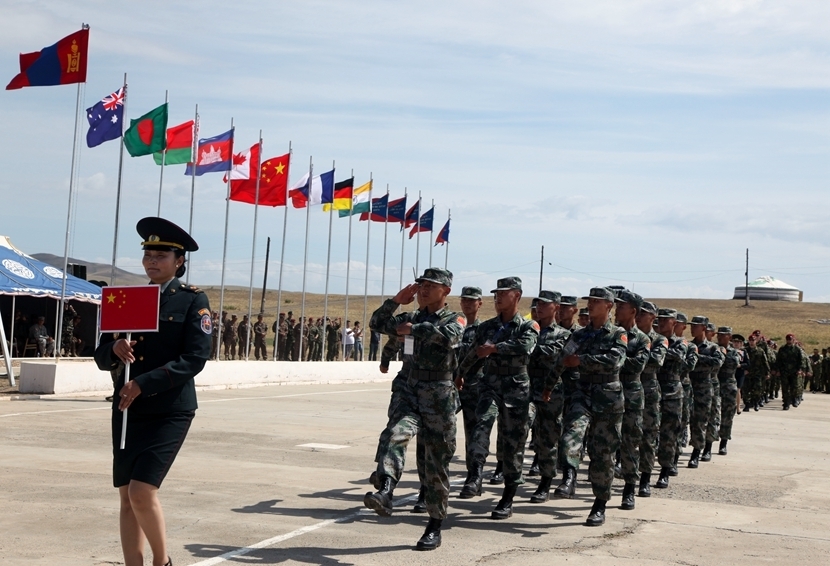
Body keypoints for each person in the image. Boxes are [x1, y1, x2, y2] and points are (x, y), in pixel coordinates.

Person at [94, 216, 211, 566]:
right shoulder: (127, 298)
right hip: (129, 411)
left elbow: (195, 358)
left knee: (142, 492)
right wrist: (113, 348)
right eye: (148, 255)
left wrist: (144, 382)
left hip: (169, 409)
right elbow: (100, 355)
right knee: (126, 498)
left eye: (161, 256)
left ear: (179, 261)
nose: (152, 262)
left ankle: (162, 563)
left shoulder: (191, 300)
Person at [364, 268, 465, 551]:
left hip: (439, 397)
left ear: (445, 291)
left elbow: (449, 337)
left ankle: (434, 525)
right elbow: (377, 323)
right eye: (421, 284)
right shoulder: (409, 317)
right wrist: (395, 301)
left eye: (430, 286)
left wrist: (416, 330)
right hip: (409, 389)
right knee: (394, 433)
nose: (423, 289)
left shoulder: (454, 317)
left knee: (435, 464)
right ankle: (385, 491)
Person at [457, 277, 539, 521]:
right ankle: (476, 474)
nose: (498, 297)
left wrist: (494, 349)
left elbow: (525, 347)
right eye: (496, 293)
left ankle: (508, 497)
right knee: (479, 426)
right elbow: (474, 352)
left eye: (503, 293)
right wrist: (460, 372)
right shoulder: (488, 326)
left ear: (517, 295)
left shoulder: (528, 326)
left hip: (516, 389)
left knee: (512, 442)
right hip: (490, 384)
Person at [553, 287, 626, 526]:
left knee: (602, 454)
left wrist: (582, 361)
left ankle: (599, 504)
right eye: (590, 300)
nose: (591, 304)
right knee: (569, 436)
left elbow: (615, 361)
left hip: (608, 398)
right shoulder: (579, 335)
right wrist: (547, 386)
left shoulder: (618, 333)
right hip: (582, 393)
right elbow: (563, 359)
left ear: (609, 306)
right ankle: (570, 477)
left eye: (597, 301)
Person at [525, 290, 571, 504]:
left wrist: (523, 347)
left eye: (545, 304)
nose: (539, 308)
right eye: (537, 304)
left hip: (550, 390)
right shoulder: (528, 329)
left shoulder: (563, 334)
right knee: (518, 430)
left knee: (548, 438)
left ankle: (546, 481)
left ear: (556, 308)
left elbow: (552, 353)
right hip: (524, 387)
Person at [613, 290, 650, 510]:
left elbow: (637, 365)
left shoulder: (642, 339)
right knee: (607, 443)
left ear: (633, 311)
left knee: (630, 444)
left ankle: (629, 490)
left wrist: (611, 359)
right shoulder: (611, 334)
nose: (617, 309)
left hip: (632, 397)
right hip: (608, 395)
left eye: (622, 306)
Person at [454, 286, 486, 492]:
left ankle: (474, 475)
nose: (467, 303)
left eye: (471, 300)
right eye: (464, 300)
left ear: (479, 303)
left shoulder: (483, 329)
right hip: (451, 386)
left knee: (474, 432)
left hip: (475, 386)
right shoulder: (455, 326)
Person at [635, 301, 667, 498]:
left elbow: (655, 361)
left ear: (653, 317)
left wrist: (633, 357)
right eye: (637, 312)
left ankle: (645, 477)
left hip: (648, 390)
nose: (639, 315)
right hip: (627, 388)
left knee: (648, 436)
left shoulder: (659, 340)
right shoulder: (627, 335)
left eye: (644, 313)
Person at [654, 308, 688, 490]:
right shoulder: (652, 339)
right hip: (652, 388)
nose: (660, 322)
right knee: (647, 432)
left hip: (672, 392)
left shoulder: (680, 342)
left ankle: (665, 471)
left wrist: (657, 351)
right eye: (659, 319)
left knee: (669, 434)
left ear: (674, 323)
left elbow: (678, 356)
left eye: (665, 320)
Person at [686, 316, 724, 468]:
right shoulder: (688, 345)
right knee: (688, 419)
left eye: (696, 326)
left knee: (701, 420)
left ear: (703, 328)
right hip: (689, 384)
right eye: (691, 325)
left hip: (704, 386)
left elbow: (718, 362)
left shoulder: (713, 348)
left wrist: (697, 357)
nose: (692, 328)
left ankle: (698, 451)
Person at [716, 327, 741, 455]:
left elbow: (734, 363)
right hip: (715, 384)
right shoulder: (713, 348)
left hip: (729, 386)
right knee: (712, 415)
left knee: (727, 416)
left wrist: (721, 354)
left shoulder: (734, 352)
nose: (719, 337)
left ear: (729, 337)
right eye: (718, 335)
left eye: (723, 335)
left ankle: (723, 442)